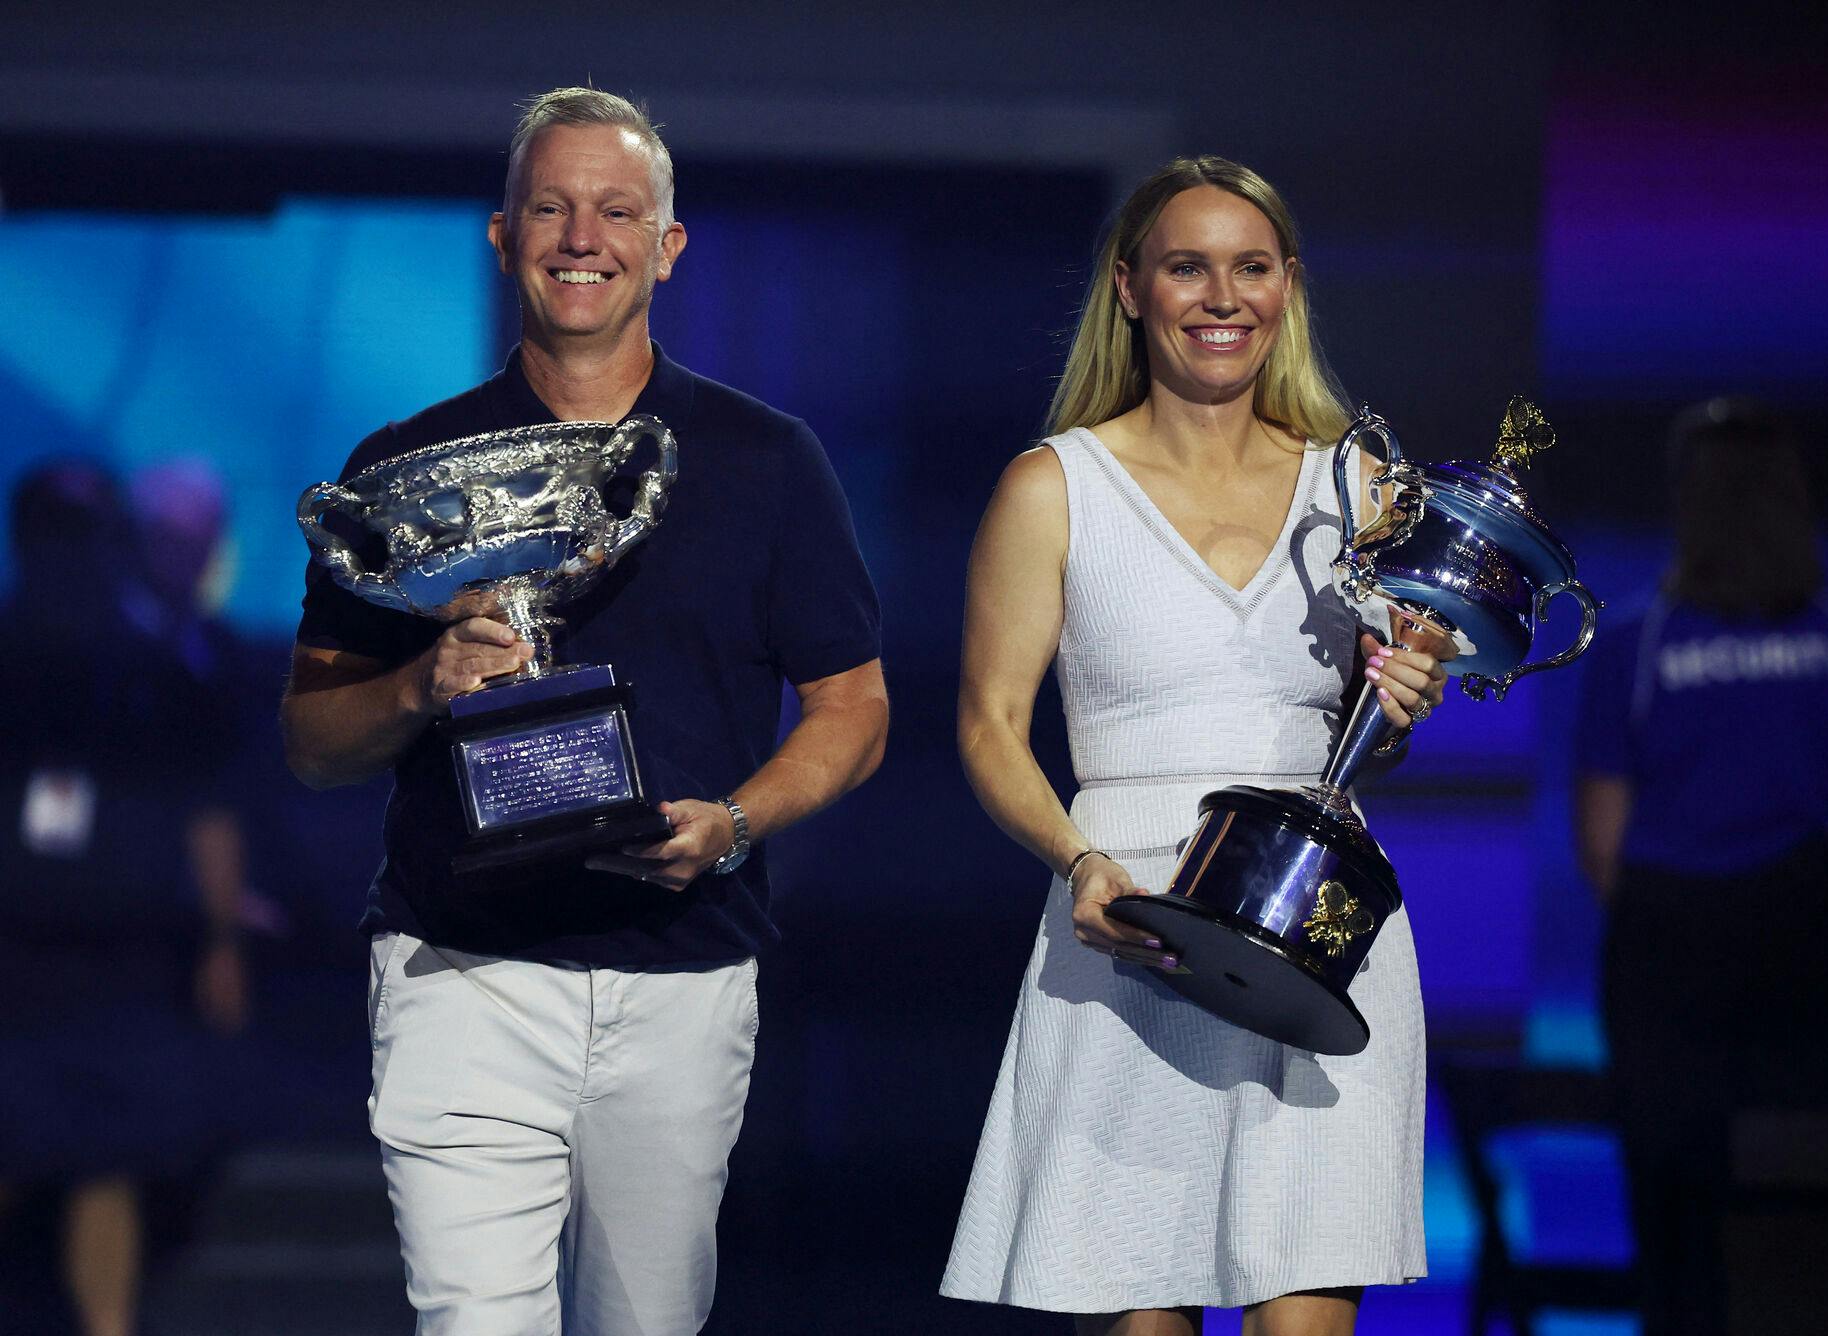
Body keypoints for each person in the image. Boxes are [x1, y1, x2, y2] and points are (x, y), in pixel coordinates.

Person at [280, 87, 887, 1335]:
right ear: (502, 239)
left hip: (683, 972)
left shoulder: (767, 460)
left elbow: (854, 707)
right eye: (549, 207)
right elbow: (312, 739)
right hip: (466, 971)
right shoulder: (408, 471)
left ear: (666, 246)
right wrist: (419, 683)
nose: (581, 235)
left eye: (617, 211)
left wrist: (733, 818)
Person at [941, 157, 1443, 1336]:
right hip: (1132, 922)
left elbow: (1374, 752)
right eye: (1188, 267)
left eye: (1251, 268)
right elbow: (986, 726)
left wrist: (1402, 707)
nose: (1223, 298)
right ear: (1130, 288)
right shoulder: (1053, 486)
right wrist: (1078, 862)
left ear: (1288, 288)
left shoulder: (1359, 486)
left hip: (1320, 919)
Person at [1573, 398, 1828, 1336]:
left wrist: (1682, 925)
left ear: (1685, 500)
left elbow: (1601, 843)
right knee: (1800, 1236)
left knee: (1680, 1246)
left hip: (1669, 961)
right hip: (1809, 958)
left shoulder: (1636, 642)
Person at [0, 458, 250, 1336]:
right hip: (17, 951)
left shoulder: (158, 667)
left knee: (108, 1158)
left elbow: (208, 813)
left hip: (122, 953)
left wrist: (222, 941)